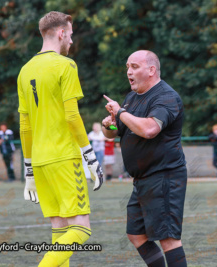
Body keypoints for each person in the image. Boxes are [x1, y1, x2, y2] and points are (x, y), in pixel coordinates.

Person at [17, 11, 103, 267]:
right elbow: (72, 117)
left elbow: (25, 126)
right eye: (71, 35)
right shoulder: (66, 65)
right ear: (61, 33)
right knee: (82, 228)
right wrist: (90, 157)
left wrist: (29, 169)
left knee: (59, 229)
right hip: (64, 157)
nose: (72, 42)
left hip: (41, 162)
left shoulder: (24, 71)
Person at [103, 50, 187, 267]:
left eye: (134, 67)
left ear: (151, 70)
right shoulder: (131, 98)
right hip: (142, 180)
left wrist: (120, 112)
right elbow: (113, 132)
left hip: (164, 175)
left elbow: (149, 129)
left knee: (168, 239)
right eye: (127, 68)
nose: (129, 72)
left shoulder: (166, 96)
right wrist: (109, 125)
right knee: (136, 235)